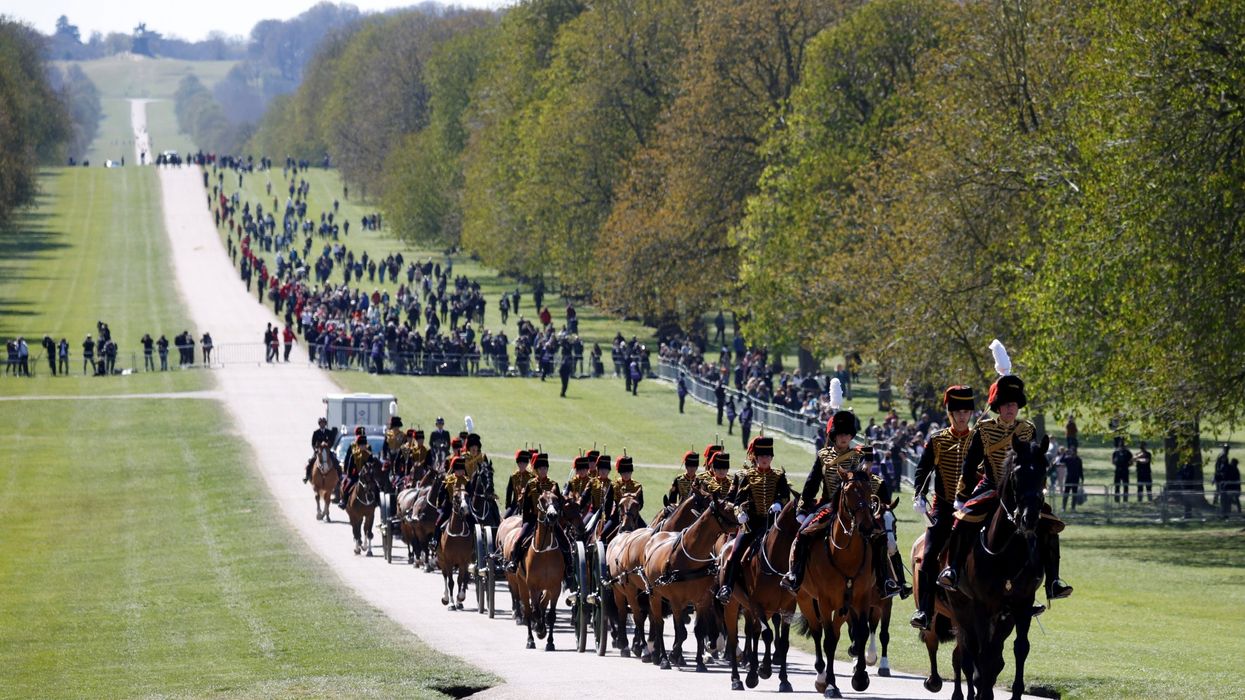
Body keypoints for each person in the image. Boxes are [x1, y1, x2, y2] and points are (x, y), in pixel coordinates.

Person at [939, 342, 1072, 605]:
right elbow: (970, 464)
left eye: (1014, 405)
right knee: (963, 521)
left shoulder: (1028, 429)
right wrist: (962, 496)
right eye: (1006, 405)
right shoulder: (984, 430)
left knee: (1049, 525)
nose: (1011, 409)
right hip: (991, 486)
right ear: (998, 407)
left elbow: (1033, 460)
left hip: (1022, 491)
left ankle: (1053, 582)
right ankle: (953, 569)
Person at [783, 406, 897, 597]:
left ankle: (885, 580)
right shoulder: (823, 456)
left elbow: (865, 484)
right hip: (828, 505)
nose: (844, 438)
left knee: (880, 536)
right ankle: (796, 574)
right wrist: (803, 505)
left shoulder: (859, 457)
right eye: (841, 434)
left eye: (847, 434)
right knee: (803, 534)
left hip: (856, 507)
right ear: (834, 435)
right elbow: (812, 482)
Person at [909, 386, 975, 630]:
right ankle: (924, 610)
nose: (962, 416)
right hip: (944, 508)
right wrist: (919, 494)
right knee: (928, 557)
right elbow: (922, 470)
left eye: (966, 411)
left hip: (973, 507)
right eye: (957, 411)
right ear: (949, 413)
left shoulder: (978, 438)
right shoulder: (937, 440)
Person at [717, 436, 790, 602]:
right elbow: (737, 501)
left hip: (772, 524)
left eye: (768, 456)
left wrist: (779, 503)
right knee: (735, 552)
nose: (765, 459)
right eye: (762, 456)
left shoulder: (779, 476)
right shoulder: (747, 476)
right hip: (751, 524)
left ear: (772, 458)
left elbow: (785, 496)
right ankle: (727, 587)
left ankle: (793, 581)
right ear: (756, 458)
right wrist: (740, 513)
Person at [505, 453, 575, 592]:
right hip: (533, 520)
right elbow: (526, 507)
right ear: (536, 470)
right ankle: (514, 562)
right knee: (520, 540)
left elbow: (559, 503)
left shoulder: (553, 484)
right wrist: (526, 522)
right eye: (541, 468)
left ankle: (568, 568)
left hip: (551, 520)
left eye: (545, 468)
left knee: (565, 541)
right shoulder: (530, 484)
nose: (544, 471)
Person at [305, 417, 338, 483]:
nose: (322, 424)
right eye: (321, 423)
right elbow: (313, 443)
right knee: (310, 462)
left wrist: (329, 447)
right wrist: (316, 449)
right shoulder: (316, 432)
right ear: (319, 424)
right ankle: (307, 476)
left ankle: (338, 477)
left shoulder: (329, 432)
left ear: (325, 424)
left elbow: (331, 441)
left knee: (336, 461)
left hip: (327, 451)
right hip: (319, 451)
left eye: (323, 423)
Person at [504, 449, 534, 516]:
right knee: (504, 518)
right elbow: (509, 492)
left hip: (528, 507)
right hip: (515, 505)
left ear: (527, 464)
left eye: (524, 463)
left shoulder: (532, 477)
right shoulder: (513, 476)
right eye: (520, 463)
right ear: (517, 463)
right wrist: (507, 506)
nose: (522, 465)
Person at [1061, 446, 1084, 511]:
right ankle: (1063, 507)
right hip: (1068, 478)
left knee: (1074, 493)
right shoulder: (1068, 458)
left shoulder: (1079, 459)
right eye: (1072, 451)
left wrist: (1082, 478)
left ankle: (1073, 508)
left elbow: (1080, 470)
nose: (1073, 453)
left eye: (1074, 451)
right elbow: (1061, 460)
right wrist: (1064, 453)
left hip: (1076, 478)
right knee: (1066, 493)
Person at [1111, 437, 1133, 504]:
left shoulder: (1128, 452)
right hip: (1118, 471)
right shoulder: (1116, 452)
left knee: (1125, 486)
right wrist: (1116, 463)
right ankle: (1117, 500)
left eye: (1123, 442)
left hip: (1125, 470)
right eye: (1121, 442)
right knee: (1117, 486)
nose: (1122, 444)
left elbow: (1131, 462)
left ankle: (1125, 501)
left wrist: (1126, 465)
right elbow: (1113, 461)